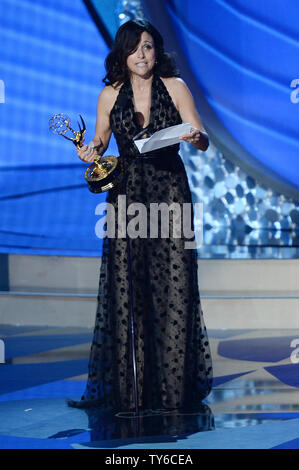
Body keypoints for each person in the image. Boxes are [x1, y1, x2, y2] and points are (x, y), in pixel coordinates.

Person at [68, 19, 213, 414]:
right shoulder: (109, 94)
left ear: (157, 50)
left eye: (148, 46)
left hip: (169, 193)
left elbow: (200, 136)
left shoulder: (176, 87)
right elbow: (99, 139)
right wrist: (91, 150)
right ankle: (132, 389)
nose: (142, 55)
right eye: (135, 48)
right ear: (123, 53)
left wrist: (195, 137)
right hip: (126, 196)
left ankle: (173, 389)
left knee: (174, 283)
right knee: (129, 287)